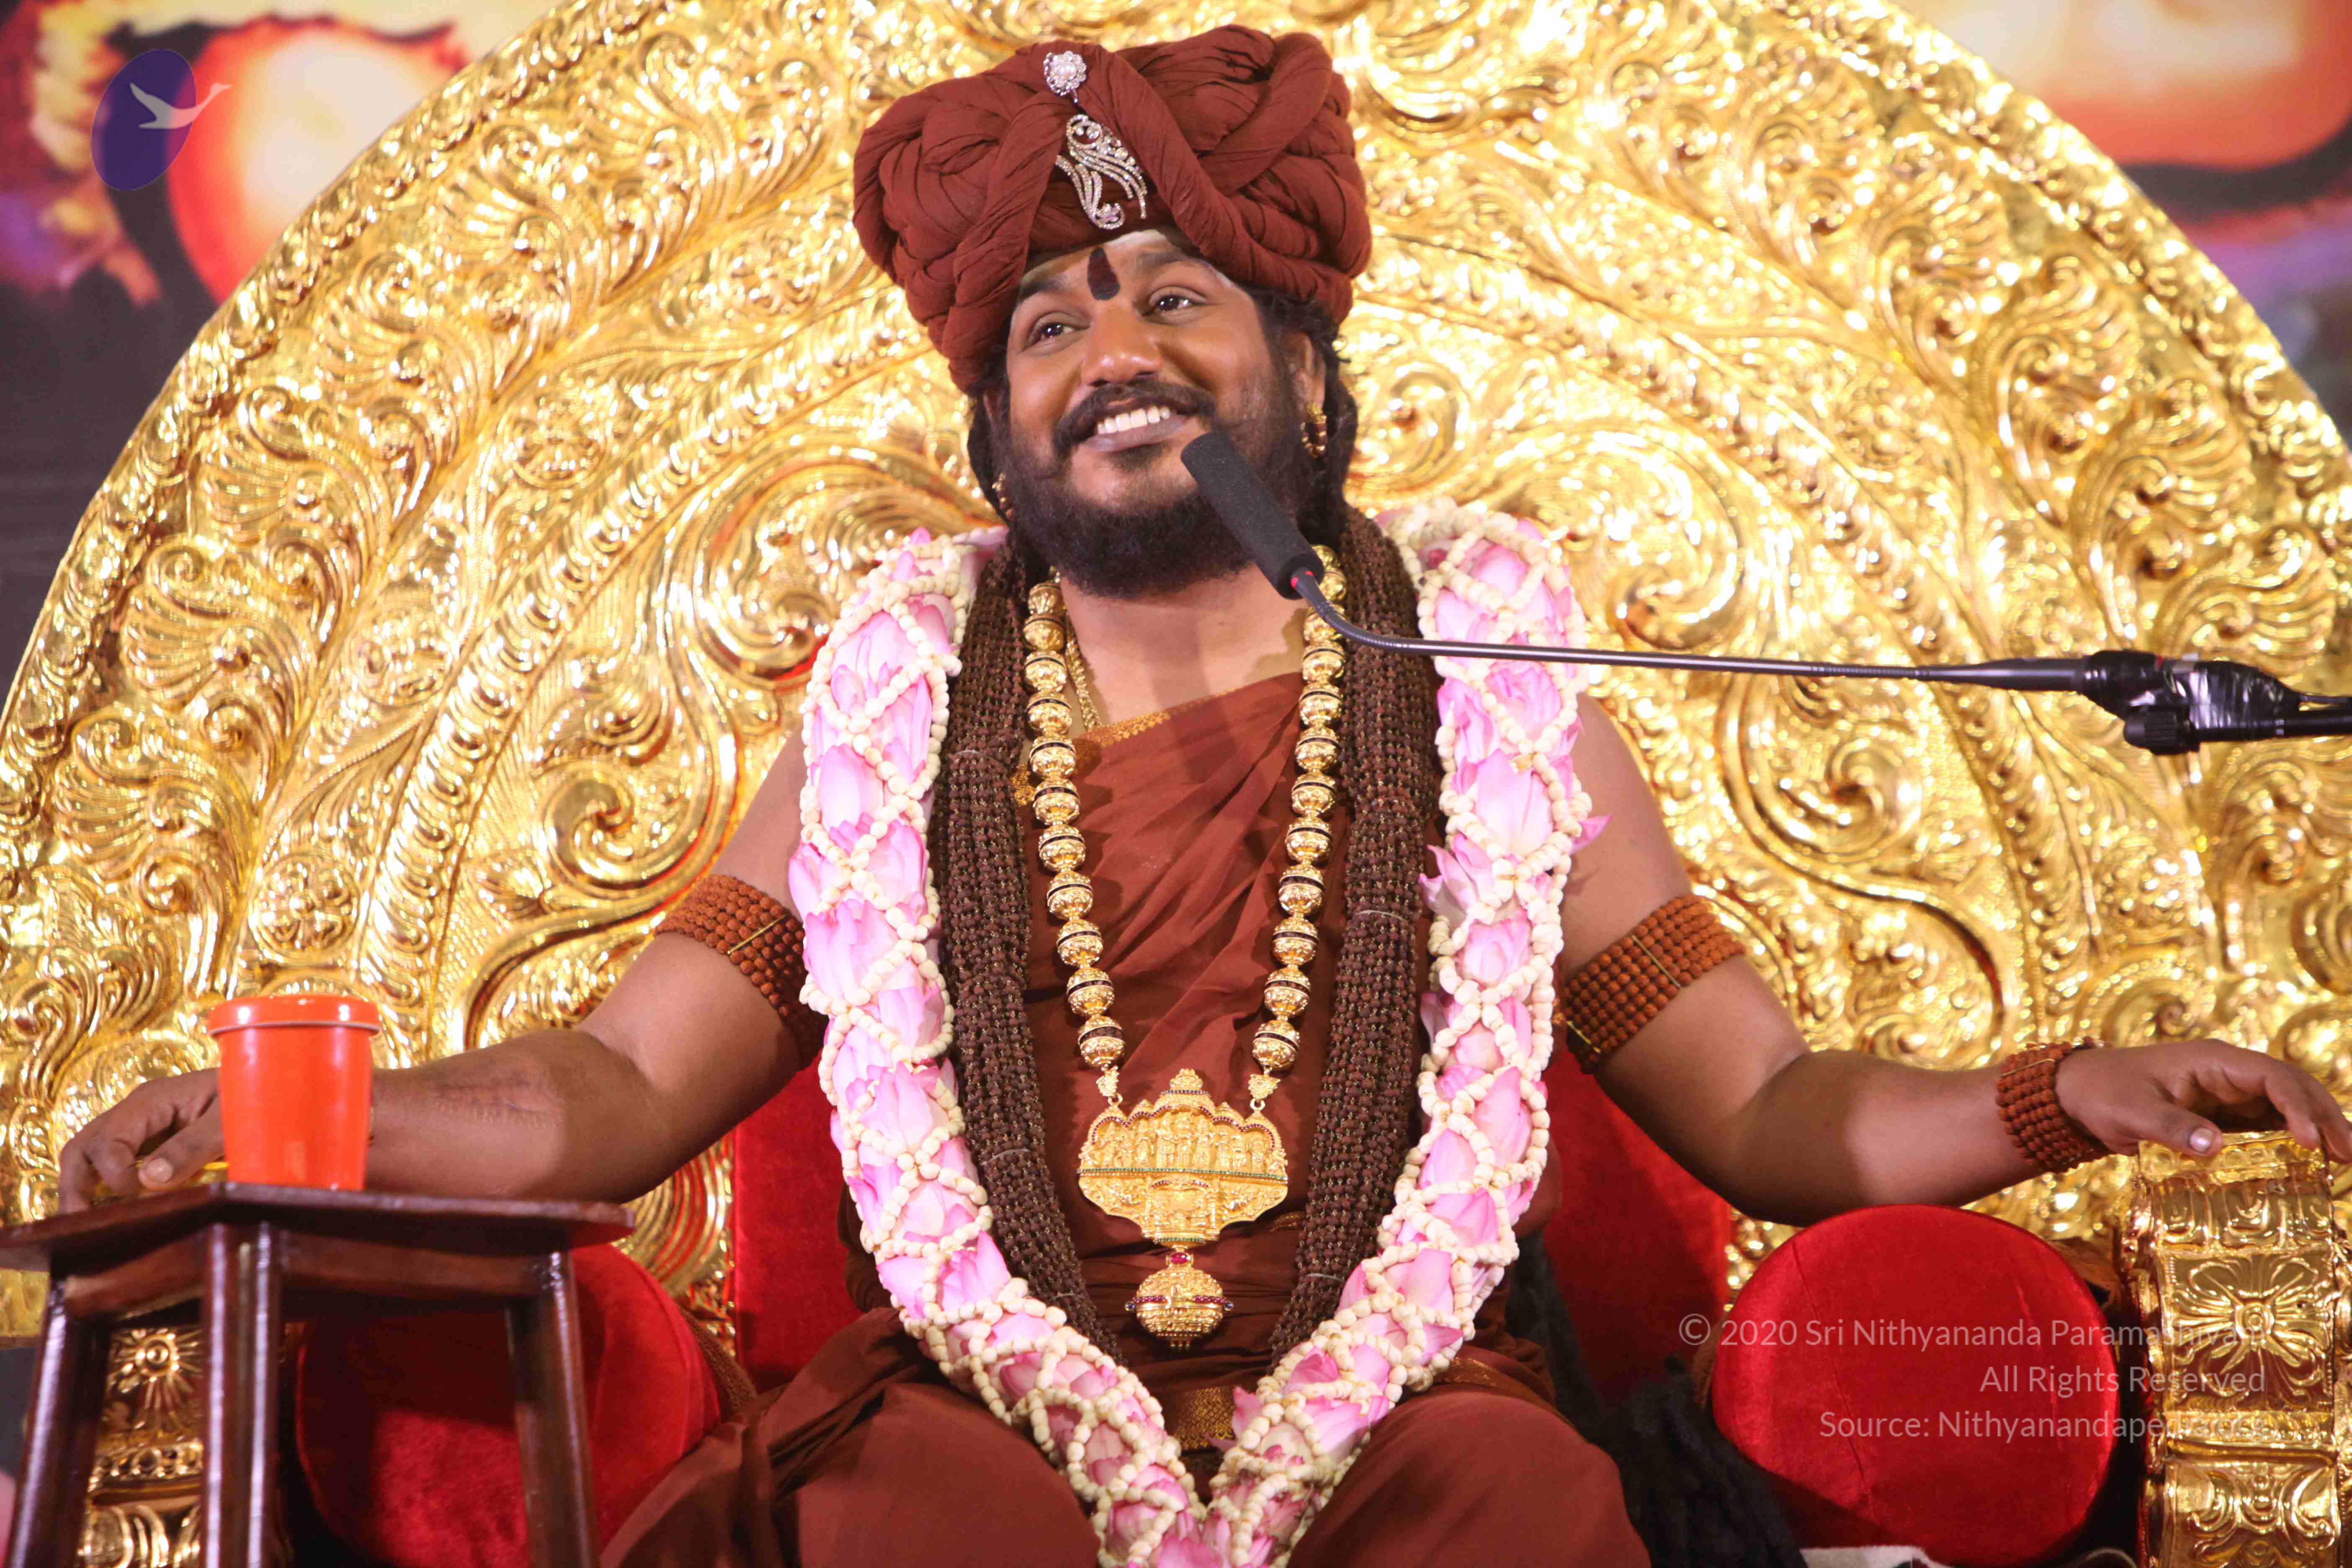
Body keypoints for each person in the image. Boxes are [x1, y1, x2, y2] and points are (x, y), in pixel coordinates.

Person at [55, 25, 2352, 1568]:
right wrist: (294, 1123)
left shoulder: (1484, 686)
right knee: (919, 1524)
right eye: (1049, 325)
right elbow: (613, 1087)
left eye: (1177, 298)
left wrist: (2064, 1093)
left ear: (1304, 381)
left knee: (1519, 1510)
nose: (1115, 351)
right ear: (999, 432)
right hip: (986, 1405)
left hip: (1402, 1411)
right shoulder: (892, 707)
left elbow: (1765, 1107)